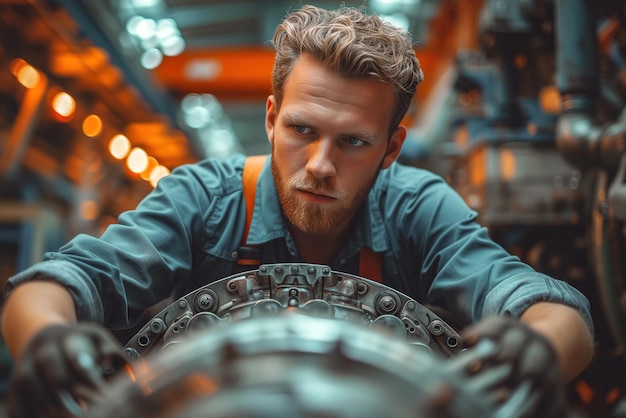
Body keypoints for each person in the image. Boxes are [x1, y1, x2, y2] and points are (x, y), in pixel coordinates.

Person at [2, 4, 592, 418]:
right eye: (301, 130)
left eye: (353, 142)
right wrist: (49, 339)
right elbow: (53, 287)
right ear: (269, 119)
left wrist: (537, 346)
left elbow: (553, 313)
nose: (319, 165)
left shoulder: (417, 207)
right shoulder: (203, 200)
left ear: (391, 148)